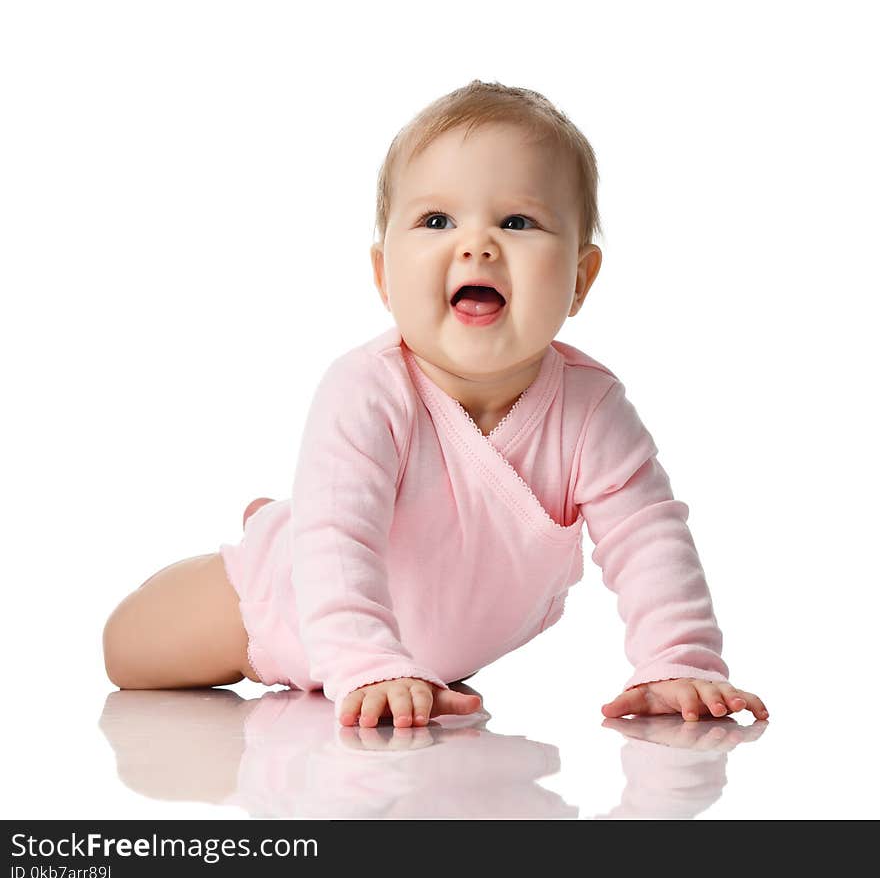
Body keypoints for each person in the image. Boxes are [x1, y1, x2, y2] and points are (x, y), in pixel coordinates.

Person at [103, 79, 769, 729]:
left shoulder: (591, 410)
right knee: (128, 649)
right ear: (383, 275)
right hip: (289, 601)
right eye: (436, 220)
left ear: (579, 279)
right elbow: (338, 539)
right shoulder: (367, 389)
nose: (476, 244)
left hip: (421, 655)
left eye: (517, 221)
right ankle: (273, 529)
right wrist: (369, 665)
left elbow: (649, 536)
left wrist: (676, 661)